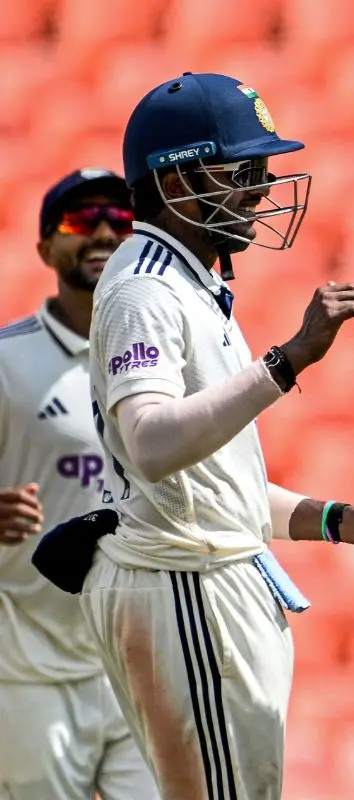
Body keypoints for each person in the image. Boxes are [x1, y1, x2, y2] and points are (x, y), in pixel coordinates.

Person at [56, 73, 354, 800]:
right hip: (182, 587)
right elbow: (152, 444)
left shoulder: (190, 281)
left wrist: (338, 522)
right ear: (176, 181)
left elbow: (207, 491)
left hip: (202, 578)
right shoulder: (145, 291)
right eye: (244, 171)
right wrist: (287, 361)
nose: (262, 190)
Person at [0, 169, 157, 798]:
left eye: (119, 220)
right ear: (44, 248)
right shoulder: (8, 360)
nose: (99, 231)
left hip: (142, 665)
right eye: (78, 220)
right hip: (30, 670)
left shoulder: (166, 353)